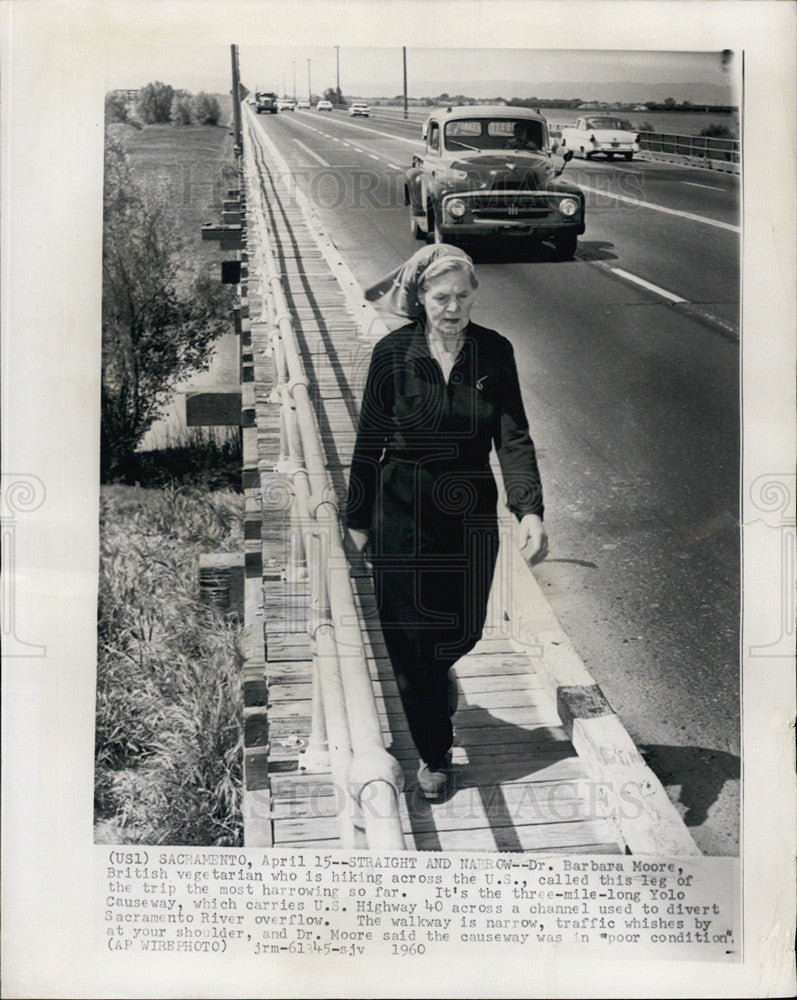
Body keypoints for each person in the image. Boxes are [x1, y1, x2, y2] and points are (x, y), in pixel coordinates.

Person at [346, 244, 548, 799]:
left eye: (462, 295)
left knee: (461, 629)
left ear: (474, 294)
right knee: (411, 647)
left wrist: (528, 506)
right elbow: (369, 442)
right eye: (441, 297)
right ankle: (433, 754)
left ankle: (441, 676)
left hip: (468, 511)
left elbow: (512, 436)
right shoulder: (392, 355)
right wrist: (357, 518)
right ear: (420, 298)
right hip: (402, 508)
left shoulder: (494, 352)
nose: (453, 307)